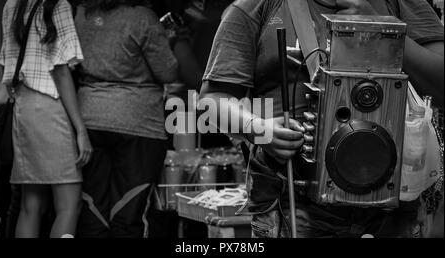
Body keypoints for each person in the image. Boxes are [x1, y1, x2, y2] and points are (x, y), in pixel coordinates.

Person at [200, 0, 444, 238]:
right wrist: (260, 130)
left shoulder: (401, 4)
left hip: (390, 205)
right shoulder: (257, 8)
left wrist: (384, 29)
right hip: (294, 204)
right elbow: (211, 101)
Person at [74, 0, 179, 238]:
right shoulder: (142, 17)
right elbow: (168, 71)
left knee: (92, 209)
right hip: (138, 124)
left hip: (89, 119)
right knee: (129, 212)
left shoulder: (80, 14)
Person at [0, 0, 92, 238]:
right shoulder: (57, 5)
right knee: (69, 206)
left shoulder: (11, 5)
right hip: (49, 108)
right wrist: (80, 129)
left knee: (31, 207)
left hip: (23, 108)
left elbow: (4, 59)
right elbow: (60, 70)